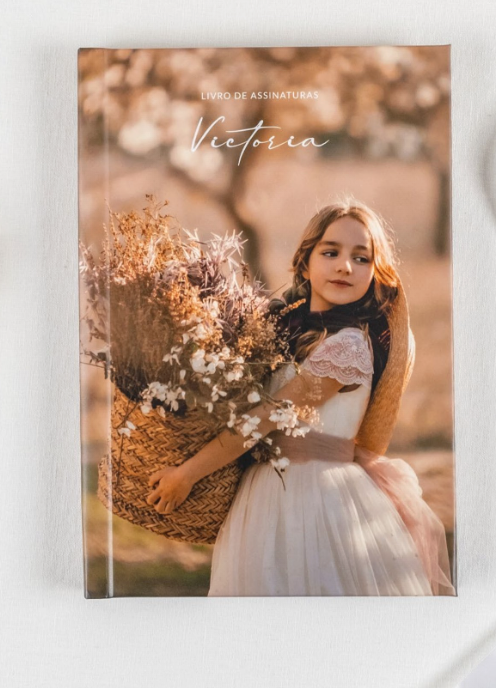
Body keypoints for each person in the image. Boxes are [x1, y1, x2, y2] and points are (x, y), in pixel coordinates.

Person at [147, 200, 454, 596]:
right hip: (265, 494)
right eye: (331, 252)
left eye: (361, 258)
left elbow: (266, 417)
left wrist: (187, 474)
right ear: (305, 262)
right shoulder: (282, 334)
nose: (345, 265)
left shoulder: (348, 346)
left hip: (318, 502)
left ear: (375, 274)